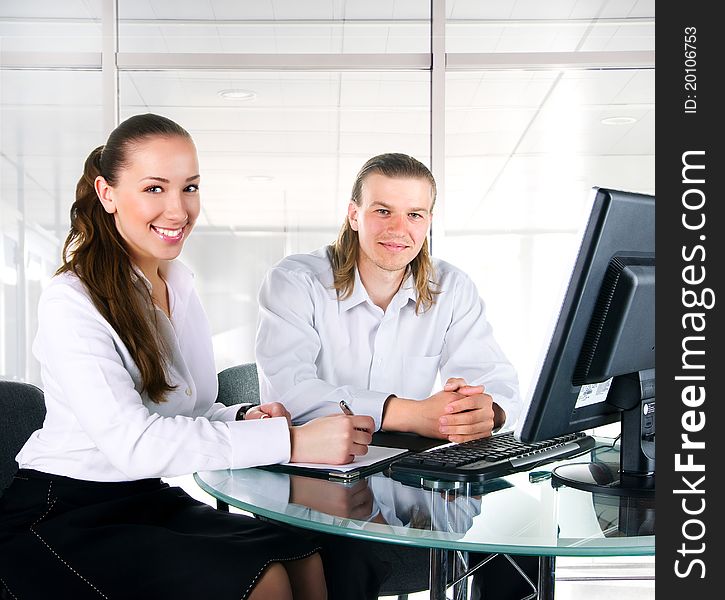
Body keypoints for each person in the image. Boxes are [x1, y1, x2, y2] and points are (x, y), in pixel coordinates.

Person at [0, 113, 375, 600]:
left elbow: (190, 410)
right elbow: (133, 442)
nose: (178, 210)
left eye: (190, 187)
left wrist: (246, 417)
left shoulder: (177, 283)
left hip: (144, 497)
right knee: (263, 581)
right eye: (155, 188)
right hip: (65, 510)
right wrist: (290, 442)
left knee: (304, 557)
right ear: (107, 193)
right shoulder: (71, 299)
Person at [255, 152, 537, 599]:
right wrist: (409, 414)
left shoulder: (452, 287)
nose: (397, 228)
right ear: (354, 215)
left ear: (428, 222)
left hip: (407, 474)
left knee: (520, 536)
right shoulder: (297, 280)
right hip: (312, 480)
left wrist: (486, 410)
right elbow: (289, 393)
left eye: (414, 214)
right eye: (382, 211)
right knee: (352, 557)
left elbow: (495, 378)